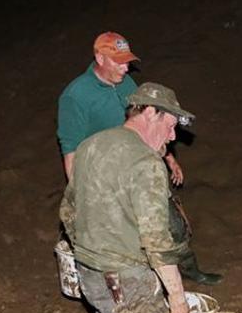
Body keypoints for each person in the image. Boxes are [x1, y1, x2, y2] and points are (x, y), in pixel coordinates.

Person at [59, 82, 198, 313]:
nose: (174, 136)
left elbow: (69, 212)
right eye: (171, 125)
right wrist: (177, 296)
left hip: (92, 277)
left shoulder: (90, 147)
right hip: (130, 283)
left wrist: (93, 252)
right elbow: (156, 239)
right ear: (149, 112)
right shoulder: (145, 163)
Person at [57, 32, 221, 286]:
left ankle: (188, 268)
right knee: (128, 238)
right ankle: (144, 286)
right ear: (99, 58)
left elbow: (146, 123)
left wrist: (168, 157)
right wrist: (82, 196)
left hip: (140, 166)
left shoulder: (126, 84)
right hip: (107, 177)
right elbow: (71, 152)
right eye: (118, 62)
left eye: (128, 61)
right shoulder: (76, 96)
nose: (126, 67)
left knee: (173, 224)